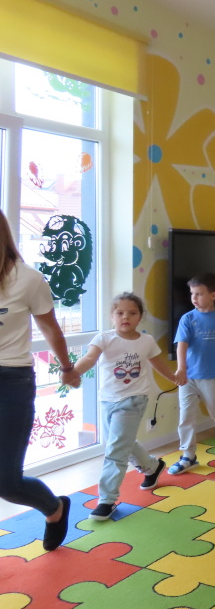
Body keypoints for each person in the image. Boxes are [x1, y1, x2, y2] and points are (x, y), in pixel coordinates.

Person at [0, 208, 80, 550]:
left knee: (6, 482)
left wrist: (67, 367)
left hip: (11, 381)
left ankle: (54, 508)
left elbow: (50, 329)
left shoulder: (28, 280)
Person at [72, 293, 185, 520]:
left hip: (134, 400)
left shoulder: (146, 341)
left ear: (140, 317)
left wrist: (174, 377)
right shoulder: (104, 338)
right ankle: (152, 467)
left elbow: (158, 363)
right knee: (121, 442)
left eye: (132, 313)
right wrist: (73, 372)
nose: (126, 317)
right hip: (107, 400)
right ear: (112, 316)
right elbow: (90, 358)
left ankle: (107, 499)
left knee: (116, 450)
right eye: (120, 313)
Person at [168, 272, 215, 475]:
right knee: (186, 417)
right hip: (189, 378)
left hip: (213, 375)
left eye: (199, 294)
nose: (194, 298)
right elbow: (181, 344)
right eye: (192, 293)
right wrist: (181, 368)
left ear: (213, 295)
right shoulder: (188, 318)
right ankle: (188, 455)